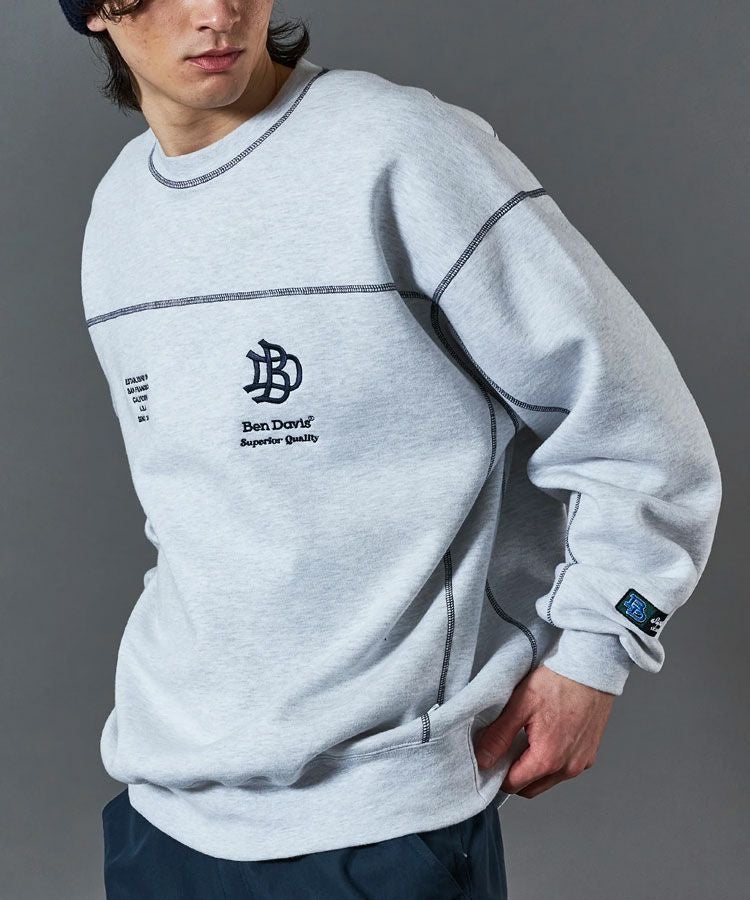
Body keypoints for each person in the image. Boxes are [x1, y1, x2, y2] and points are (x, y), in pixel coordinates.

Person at [58, 2, 722, 898]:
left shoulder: (398, 149)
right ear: (99, 10)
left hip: (379, 822)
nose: (216, 12)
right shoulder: (120, 208)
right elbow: (196, 504)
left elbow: (644, 433)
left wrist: (598, 653)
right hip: (164, 809)